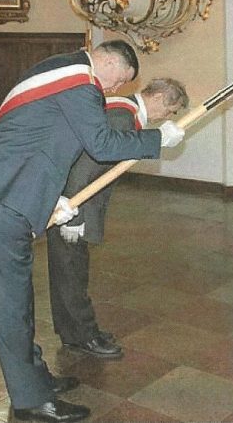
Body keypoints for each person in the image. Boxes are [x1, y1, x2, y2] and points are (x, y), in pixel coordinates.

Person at [0, 40, 185, 423]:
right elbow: (101, 144)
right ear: (107, 60)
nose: (116, 88)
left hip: (11, 187)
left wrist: (53, 200)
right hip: (1, 193)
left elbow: (44, 142)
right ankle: (31, 401)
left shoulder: (63, 70)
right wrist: (158, 139)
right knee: (11, 304)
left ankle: (34, 378)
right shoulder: (80, 82)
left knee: (19, 300)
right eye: (120, 79)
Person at [47, 78, 189, 359]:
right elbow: (85, 166)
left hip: (70, 203)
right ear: (159, 98)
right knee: (72, 273)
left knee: (69, 270)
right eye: (170, 110)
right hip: (70, 208)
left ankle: (74, 332)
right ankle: (84, 337)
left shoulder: (124, 110)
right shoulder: (122, 115)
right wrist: (72, 215)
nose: (166, 117)